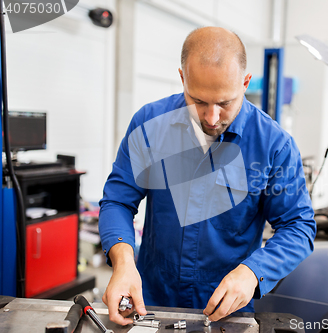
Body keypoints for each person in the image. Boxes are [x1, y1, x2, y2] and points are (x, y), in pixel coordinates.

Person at [98, 26, 316, 326]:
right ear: (182, 78)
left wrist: (253, 272)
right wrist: (123, 262)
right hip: (152, 302)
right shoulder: (149, 124)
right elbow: (118, 201)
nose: (212, 118)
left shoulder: (274, 145)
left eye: (225, 103)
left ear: (245, 82)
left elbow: (298, 226)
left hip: (227, 312)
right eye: (199, 101)